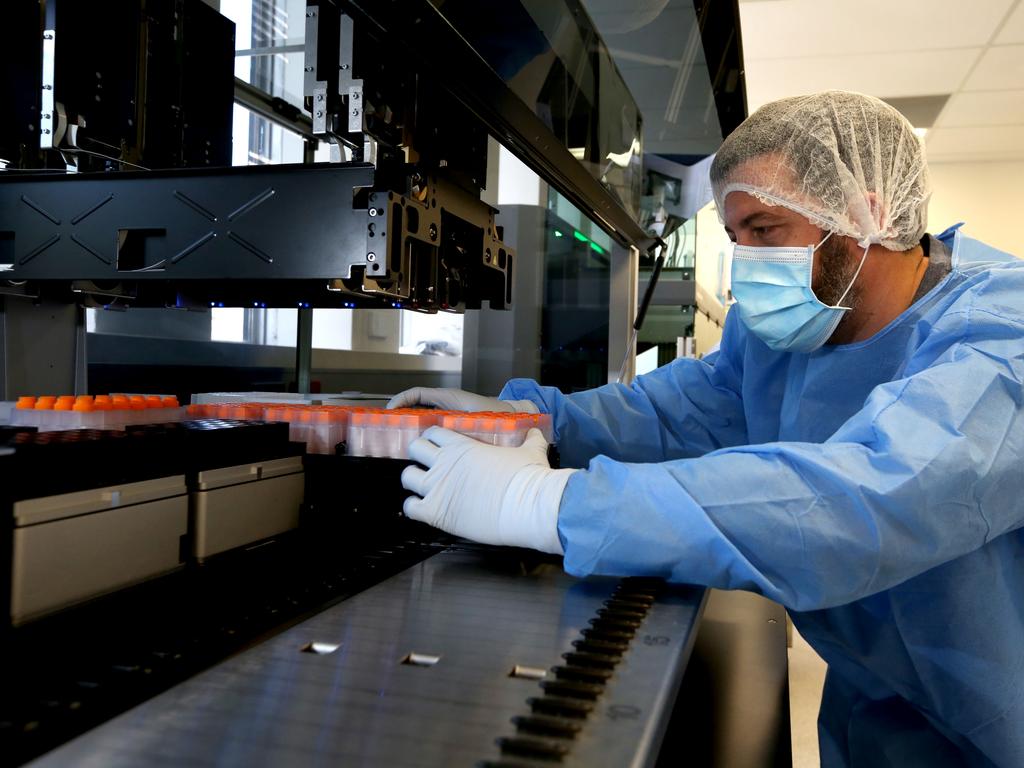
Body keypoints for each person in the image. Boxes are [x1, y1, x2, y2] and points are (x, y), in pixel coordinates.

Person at [390, 91, 1024, 767]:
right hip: (880, 717)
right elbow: (685, 410)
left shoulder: (1000, 332)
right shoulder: (790, 328)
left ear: (866, 212)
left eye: (765, 228)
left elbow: (873, 494)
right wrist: (535, 418)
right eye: (734, 236)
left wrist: (548, 504)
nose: (746, 261)